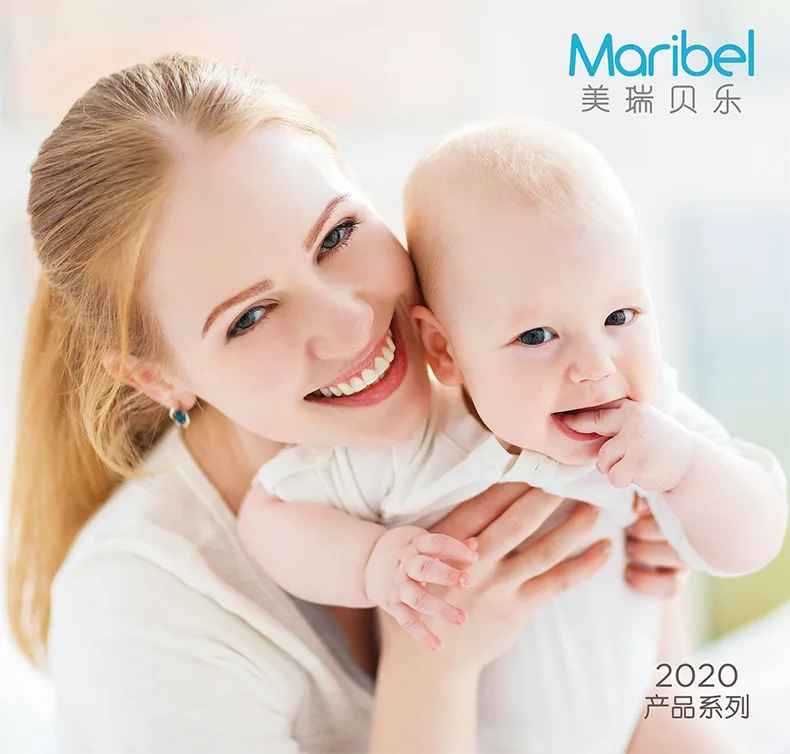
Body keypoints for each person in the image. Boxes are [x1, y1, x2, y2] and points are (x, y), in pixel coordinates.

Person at [3, 54, 691, 754]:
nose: (351, 326)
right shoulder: (140, 616)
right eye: (250, 316)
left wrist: (650, 575)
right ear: (158, 380)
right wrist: (431, 665)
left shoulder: (511, 380)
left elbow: (665, 724)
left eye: (336, 235)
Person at [239, 120, 787, 753]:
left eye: (619, 316)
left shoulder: (658, 429)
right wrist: (372, 563)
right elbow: (268, 514)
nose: (595, 366)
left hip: (639, 728)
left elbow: (754, 539)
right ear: (445, 350)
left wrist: (689, 470)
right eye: (536, 337)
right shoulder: (413, 449)